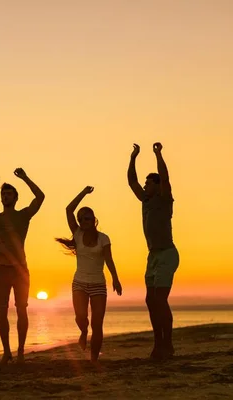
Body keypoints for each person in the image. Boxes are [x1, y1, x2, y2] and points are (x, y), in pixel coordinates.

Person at [0, 168, 45, 364]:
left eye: (9, 194)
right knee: (1, 310)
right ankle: (6, 351)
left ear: (15, 197)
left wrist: (25, 177)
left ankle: (21, 351)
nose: (5, 196)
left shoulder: (23, 216)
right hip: (2, 269)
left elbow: (40, 196)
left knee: (22, 309)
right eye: (3, 194)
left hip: (20, 270)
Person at [55, 186, 122, 369]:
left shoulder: (103, 238)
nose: (84, 221)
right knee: (81, 316)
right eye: (81, 219)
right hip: (79, 283)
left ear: (94, 220)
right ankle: (83, 331)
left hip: (98, 284)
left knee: (97, 323)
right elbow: (68, 209)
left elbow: (109, 259)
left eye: (88, 218)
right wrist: (83, 192)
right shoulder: (77, 234)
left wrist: (115, 278)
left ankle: (94, 359)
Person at [127, 142, 180, 360]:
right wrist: (133, 157)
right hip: (153, 256)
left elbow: (165, 177)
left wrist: (158, 154)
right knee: (150, 300)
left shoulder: (164, 198)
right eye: (146, 184)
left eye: (149, 184)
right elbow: (132, 181)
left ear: (157, 187)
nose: (145, 187)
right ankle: (158, 342)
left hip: (167, 253)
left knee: (160, 299)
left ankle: (167, 344)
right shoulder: (145, 201)